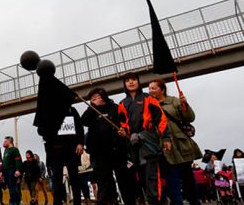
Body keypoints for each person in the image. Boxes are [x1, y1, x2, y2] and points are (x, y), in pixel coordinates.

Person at [33, 61, 85, 205]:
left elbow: (79, 128)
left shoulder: (71, 111)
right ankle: (58, 202)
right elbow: (41, 130)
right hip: (55, 150)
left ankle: (77, 202)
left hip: (72, 149)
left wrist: (80, 142)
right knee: (56, 179)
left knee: (74, 178)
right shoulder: (47, 114)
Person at [117, 72, 171, 205]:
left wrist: (166, 138)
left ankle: (156, 201)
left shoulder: (149, 98)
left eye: (134, 79)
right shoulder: (122, 104)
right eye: (127, 80)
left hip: (149, 140)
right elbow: (123, 124)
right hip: (133, 144)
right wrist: (123, 132)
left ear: (138, 82)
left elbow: (161, 119)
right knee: (141, 177)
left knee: (152, 176)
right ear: (124, 84)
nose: (131, 82)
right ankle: (163, 199)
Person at [148, 78, 202, 205]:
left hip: (180, 144)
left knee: (189, 179)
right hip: (164, 147)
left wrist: (185, 105)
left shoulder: (173, 101)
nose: (150, 91)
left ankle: (195, 201)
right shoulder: (149, 105)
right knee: (172, 180)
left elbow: (189, 117)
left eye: (153, 88)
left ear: (162, 89)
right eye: (149, 88)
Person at [81, 87, 135, 205]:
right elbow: (83, 121)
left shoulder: (116, 107)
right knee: (104, 182)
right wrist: (93, 107)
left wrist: (124, 130)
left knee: (124, 180)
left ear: (103, 96)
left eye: (96, 97)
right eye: (92, 98)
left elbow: (125, 122)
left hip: (117, 150)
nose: (94, 99)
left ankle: (129, 201)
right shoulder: (91, 111)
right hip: (100, 153)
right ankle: (109, 201)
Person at [1, 136, 22, 205]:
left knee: (12, 186)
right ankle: (15, 200)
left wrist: (18, 170)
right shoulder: (6, 150)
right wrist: (1, 172)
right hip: (5, 171)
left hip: (11, 170)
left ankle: (14, 202)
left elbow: (18, 160)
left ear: (9, 141)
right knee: (10, 187)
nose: (3, 143)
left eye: (5, 141)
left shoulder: (14, 149)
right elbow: (4, 162)